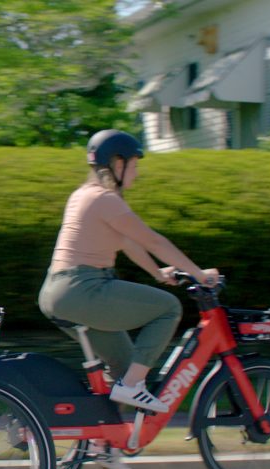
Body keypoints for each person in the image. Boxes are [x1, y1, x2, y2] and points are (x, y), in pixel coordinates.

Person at [38, 129, 218, 413]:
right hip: (84, 289)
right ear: (117, 164)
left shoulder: (83, 195)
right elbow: (153, 240)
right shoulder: (105, 200)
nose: (136, 173)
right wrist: (198, 273)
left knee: (125, 365)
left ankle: (102, 443)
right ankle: (132, 386)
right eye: (134, 165)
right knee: (168, 308)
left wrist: (158, 274)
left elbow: (128, 243)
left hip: (57, 292)